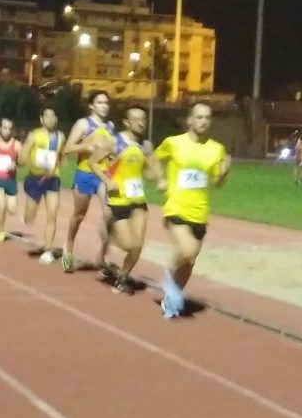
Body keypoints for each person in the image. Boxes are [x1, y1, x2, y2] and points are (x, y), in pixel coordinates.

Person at [152, 103, 230, 319]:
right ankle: (169, 279)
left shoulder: (216, 149)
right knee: (186, 252)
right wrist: (160, 179)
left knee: (191, 260)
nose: (204, 121)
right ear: (189, 120)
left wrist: (224, 173)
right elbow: (154, 159)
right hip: (176, 206)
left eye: (207, 118)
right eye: (199, 117)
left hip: (200, 212)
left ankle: (172, 298)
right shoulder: (173, 143)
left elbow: (216, 182)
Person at [88, 105, 151, 294]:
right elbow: (93, 162)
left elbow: (148, 171)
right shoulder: (115, 142)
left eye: (143, 119)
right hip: (118, 201)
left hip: (138, 200)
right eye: (136, 119)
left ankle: (122, 278)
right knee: (129, 244)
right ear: (126, 122)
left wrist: (158, 175)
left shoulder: (146, 146)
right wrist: (107, 181)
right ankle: (109, 234)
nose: (141, 123)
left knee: (138, 245)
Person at [60, 90, 116, 273]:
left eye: (106, 103)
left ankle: (102, 257)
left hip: (103, 175)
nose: (104, 106)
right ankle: (69, 245)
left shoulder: (110, 126)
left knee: (110, 214)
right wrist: (88, 146)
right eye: (100, 103)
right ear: (92, 105)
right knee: (79, 215)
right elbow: (68, 148)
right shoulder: (83, 124)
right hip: (85, 175)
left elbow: (111, 150)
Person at [21, 107, 66, 263]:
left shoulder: (60, 137)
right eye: (47, 116)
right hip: (35, 178)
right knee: (29, 218)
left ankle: (47, 250)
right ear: (41, 119)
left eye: (53, 116)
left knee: (52, 215)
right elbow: (22, 157)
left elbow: (61, 155)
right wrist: (34, 164)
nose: (50, 119)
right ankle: (26, 216)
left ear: (56, 119)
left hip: (53, 179)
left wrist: (57, 165)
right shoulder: (34, 135)